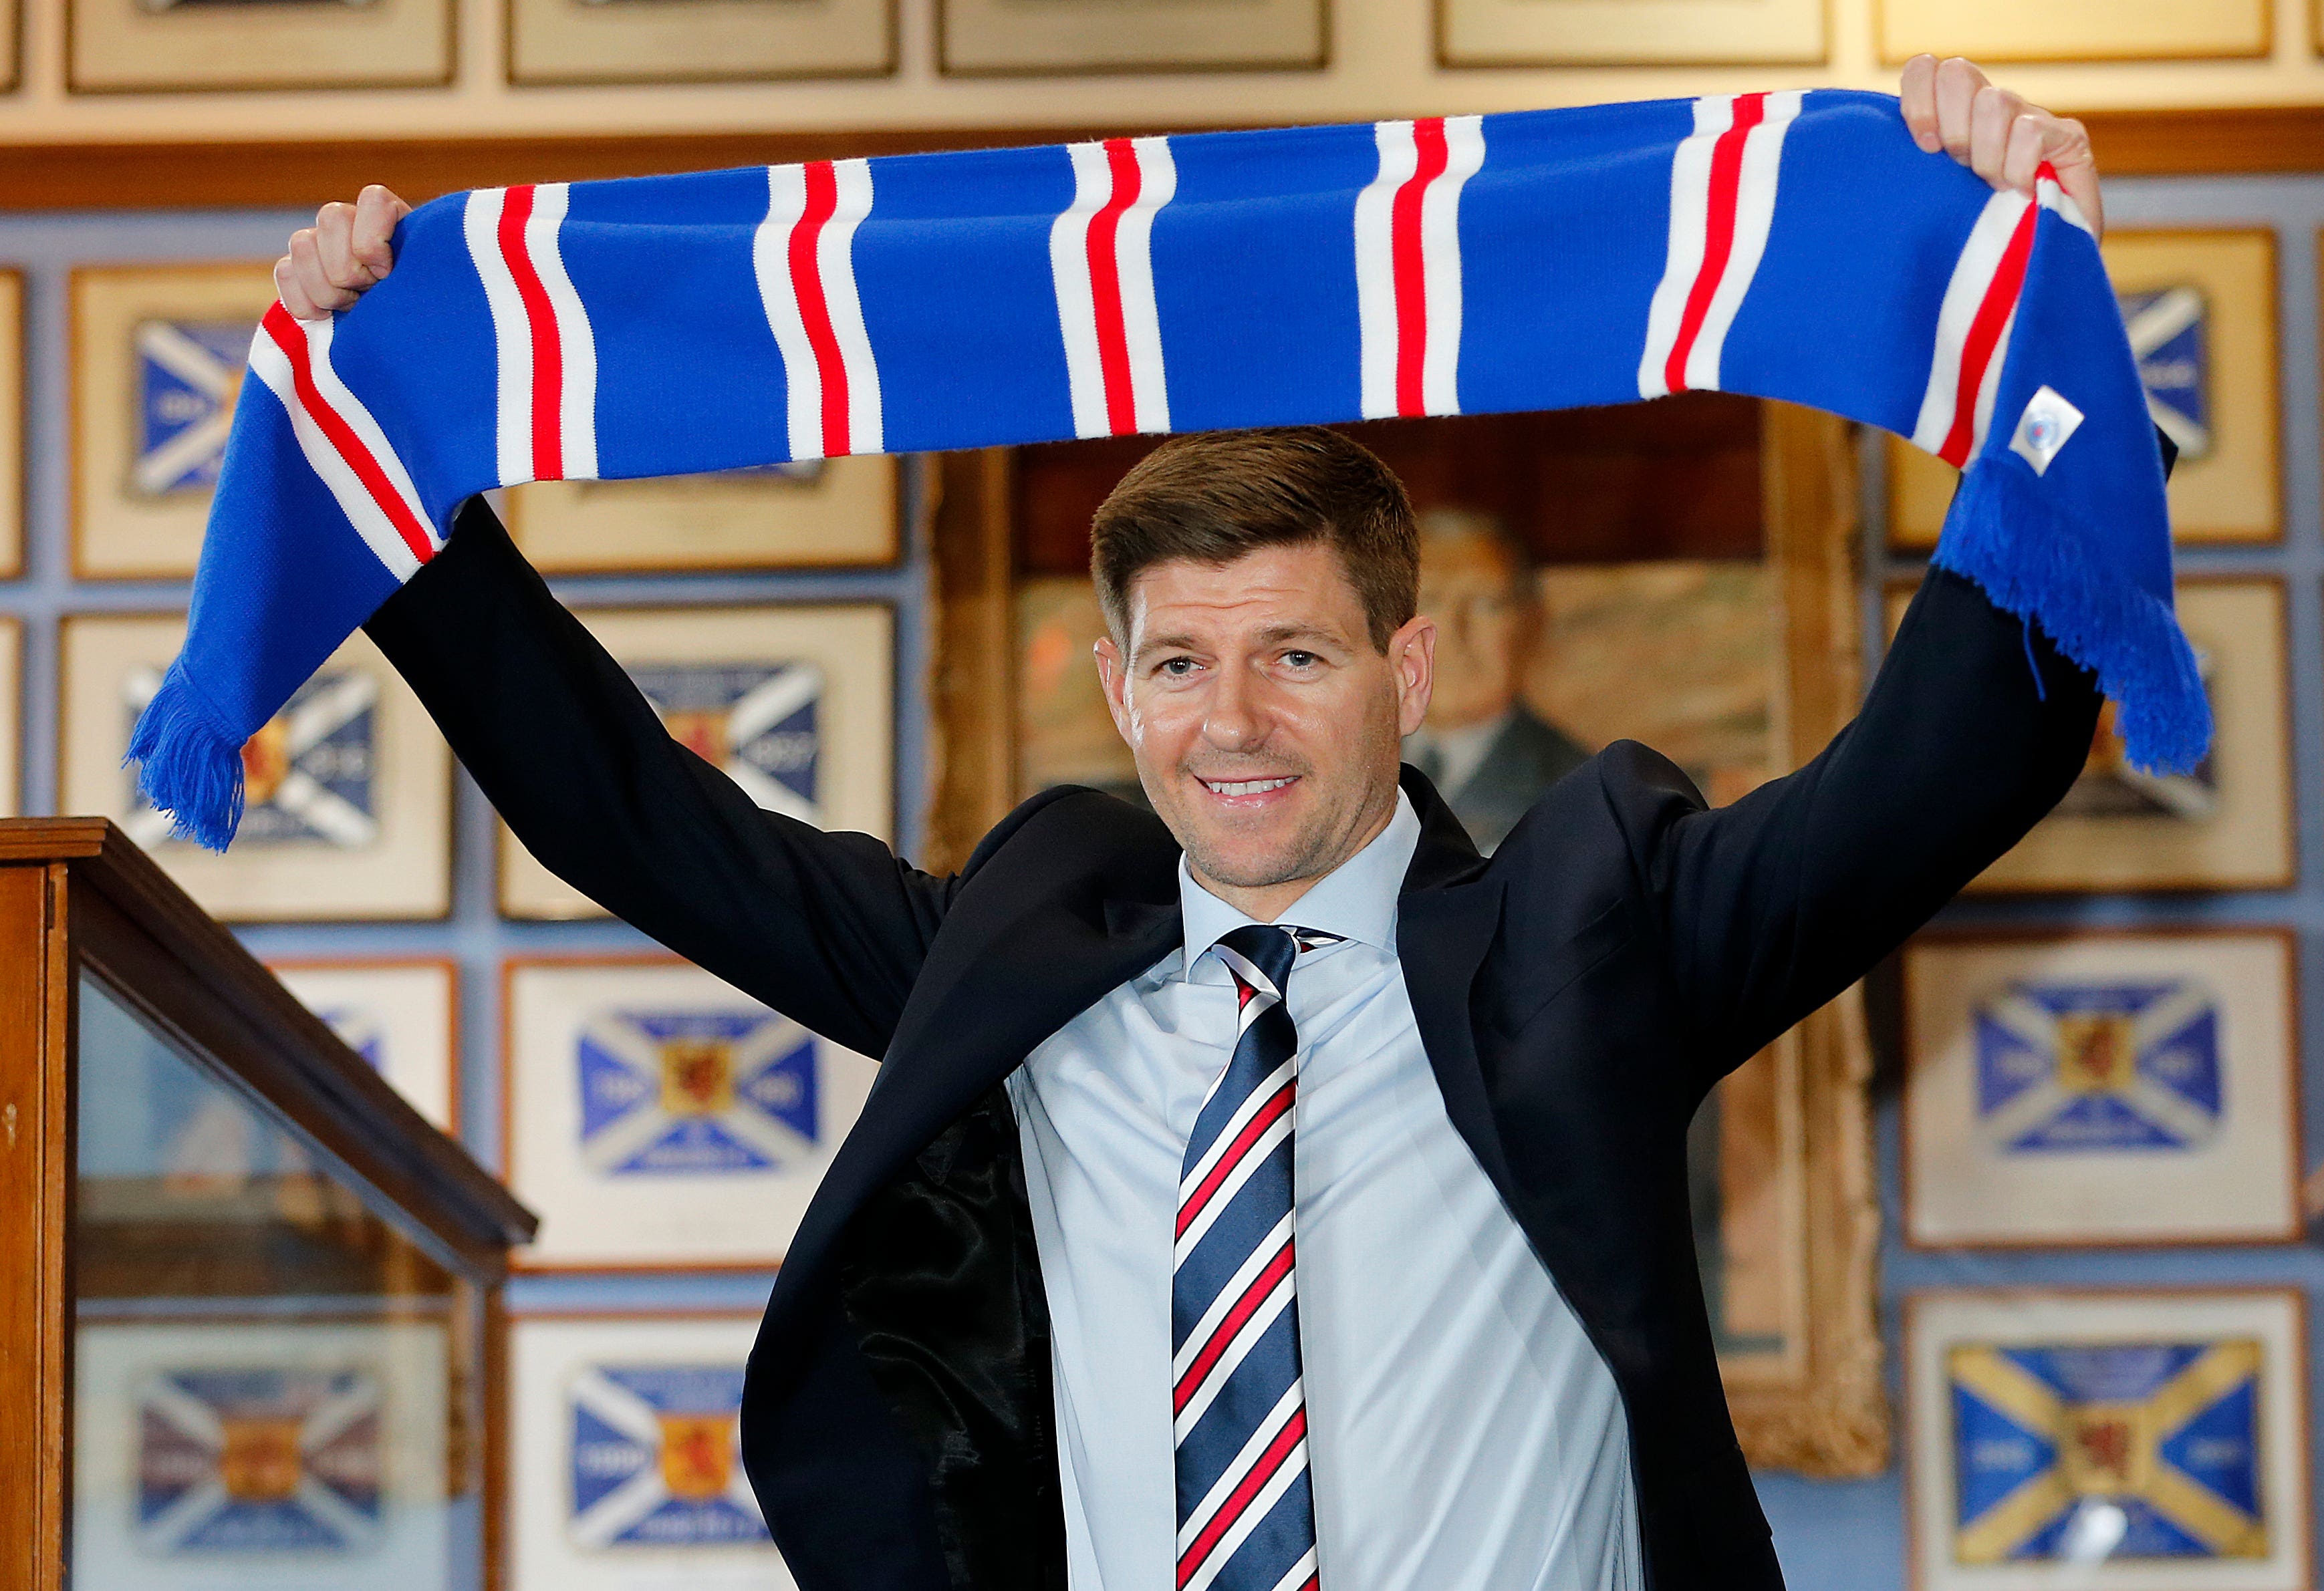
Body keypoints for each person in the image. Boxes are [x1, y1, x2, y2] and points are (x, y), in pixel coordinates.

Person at [286, 57, 2108, 1591]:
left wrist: (2042, 328)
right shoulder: (1014, 949)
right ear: (1112, 687)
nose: (1226, 720)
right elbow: (635, 820)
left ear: (1407, 673)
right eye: (1177, 663)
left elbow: (1939, 770)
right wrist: (387, 461)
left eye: (1293, 653)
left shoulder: (1596, 927)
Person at [1400, 507, 1589, 852]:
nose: (1453, 634)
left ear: (1533, 623)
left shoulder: (1580, 793)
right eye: (1428, 602)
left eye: (1486, 604)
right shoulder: (1345, 762)